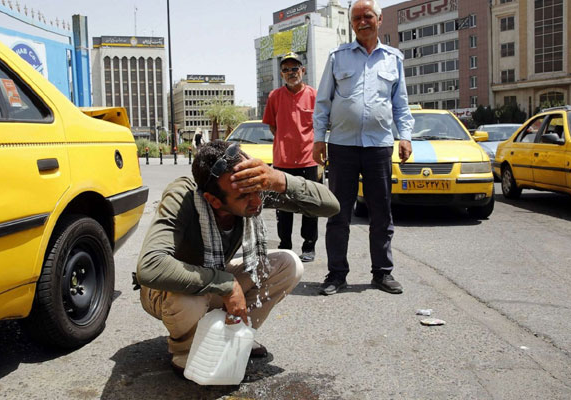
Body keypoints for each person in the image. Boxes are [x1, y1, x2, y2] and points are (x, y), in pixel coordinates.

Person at [135, 140, 339, 378]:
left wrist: (278, 179)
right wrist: (227, 285)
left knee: (288, 264)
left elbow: (331, 206)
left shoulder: (250, 189)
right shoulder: (183, 196)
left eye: (258, 189)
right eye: (244, 197)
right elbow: (150, 266)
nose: (256, 201)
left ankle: (236, 334)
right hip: (166, 290)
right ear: (213, 200)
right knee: (190, 300)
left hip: (213, 276)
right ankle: (186, 350)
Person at [312, 0, 414, 296]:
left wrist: (405, 136)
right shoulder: (337, 57)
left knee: (381, 213)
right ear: (351, 23)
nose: (362, 21)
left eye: (367, 16)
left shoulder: (393, 59)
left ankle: (382, 273)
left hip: (379, 147)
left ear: (379, 20)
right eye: (356, 18)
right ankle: (336, 274)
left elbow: (400, 104)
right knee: (338, 213)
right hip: (342, 147)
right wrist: (320, 137)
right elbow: (323, 102)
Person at [262, 51, 320, 263]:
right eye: (286, 70)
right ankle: (285, 245)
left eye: (294, 68)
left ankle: (309, 246)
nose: (290, 73)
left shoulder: (314, 95)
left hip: (308, 159)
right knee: (283, 206)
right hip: (282, 161)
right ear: (281, 74)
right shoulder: (274, 97)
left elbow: (321, 125)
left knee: (309, 205)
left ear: (302, 70)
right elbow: (272, 125)